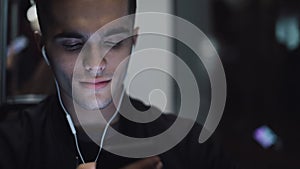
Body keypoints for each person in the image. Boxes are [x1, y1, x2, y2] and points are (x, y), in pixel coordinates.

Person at [0, 0, 238, 169]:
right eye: (73, 44)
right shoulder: (9, 147)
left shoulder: (190, 148)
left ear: (133, 42)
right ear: (44, 48)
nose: (95, 64)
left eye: (113, 42)